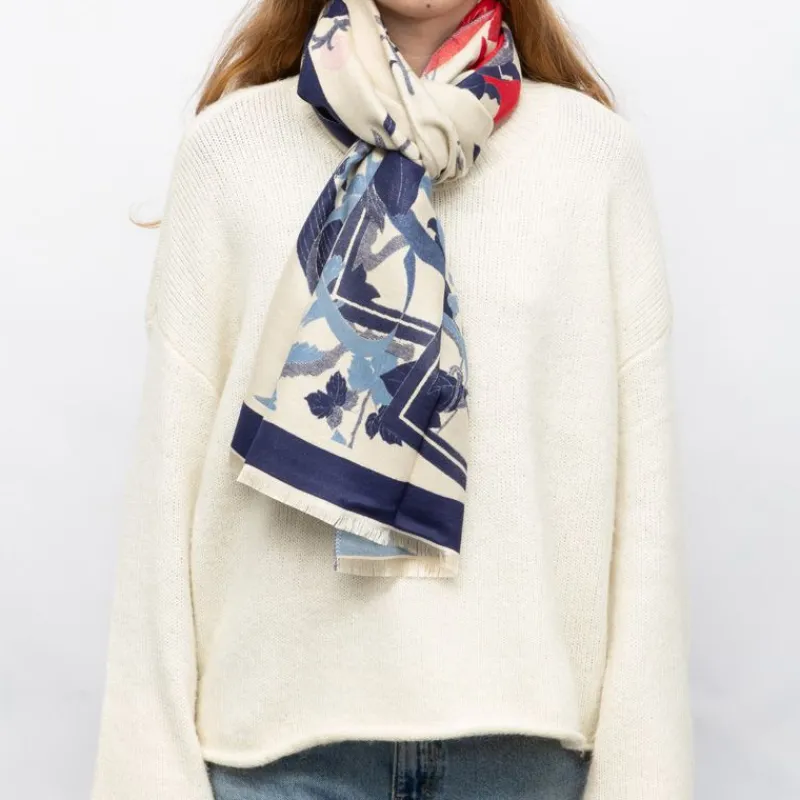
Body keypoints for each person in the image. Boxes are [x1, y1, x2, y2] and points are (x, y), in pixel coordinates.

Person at [91, 1, 693, 798]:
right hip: (276, 764)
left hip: (520, 764)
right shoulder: (229, 151)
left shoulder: (593, 160)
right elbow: (164, 501)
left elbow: (643, 511)